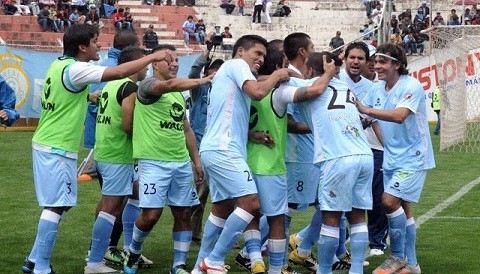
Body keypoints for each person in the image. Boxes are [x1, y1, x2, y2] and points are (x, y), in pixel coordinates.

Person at [21, 23, 173, 274]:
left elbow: (71, 94)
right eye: (94, 41)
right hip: (57, 147)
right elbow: (118, 71)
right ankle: (42, 267)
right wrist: (153, 55)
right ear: (82, 46)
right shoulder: (76, 69)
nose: (99, 45)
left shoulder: (58, 64)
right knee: (56, 205)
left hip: (51, 144)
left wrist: (92, 97)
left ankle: (33, 259)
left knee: (62, 204)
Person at [191, 34, 290, 274]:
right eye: (257, 53)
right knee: (250, 203)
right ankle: (214, 260)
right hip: (224, 150)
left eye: (264, 56)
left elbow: (229, 113)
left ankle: (198, 267)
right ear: (240, 51)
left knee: (221, 209)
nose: (261, 59)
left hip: (217, 148)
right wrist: (278, 74)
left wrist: (251, 135)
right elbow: (257, 92)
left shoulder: (230, 74)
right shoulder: (236, 65)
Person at [122, 44, 212, 274]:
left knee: (183, 213)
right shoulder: (147, 86)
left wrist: (196, 161)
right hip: (153, 162)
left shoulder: (178, 96)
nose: (174, 64)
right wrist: (206, 79)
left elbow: (186, 129)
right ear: (155, 63)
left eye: (176, 61)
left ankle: (178, 265)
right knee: (151, 216)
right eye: (168, 60)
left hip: (180, 163)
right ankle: (133, 252)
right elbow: (168, 84)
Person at [356, 43, 435, 274]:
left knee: (389, 201)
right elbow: (369, 118)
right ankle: (412, 264)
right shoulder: (376, 88)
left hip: (413, 157)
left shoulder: (411, 85)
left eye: (383, 62)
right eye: (376, 62)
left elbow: (400, 116)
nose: (377, 66)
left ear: (397, 65)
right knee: (404, 208)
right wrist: (364, 120)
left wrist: (368, 112)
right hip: (393, 156)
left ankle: (397, 256)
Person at [298, 51, 373, 274]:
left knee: (330, 217)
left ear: (310, 71)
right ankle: (357, 270)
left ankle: (324, 271)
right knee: (358, 217)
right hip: (363, 154)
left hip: (338, 158)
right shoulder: (344, 86)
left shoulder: (309, 84)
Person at [84, 46, 148, 274]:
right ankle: (94, 262)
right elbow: (128, 125)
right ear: (135, 64)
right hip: (118, 155)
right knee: (111, 208)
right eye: (144, 63)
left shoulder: (110, 84)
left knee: (114, 202)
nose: (147, 68)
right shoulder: (129, 87)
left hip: (104, 152)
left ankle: (105, 252)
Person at [338, 42, 388, 257]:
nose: (356, 62)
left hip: (370, 150)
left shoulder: (372, 88)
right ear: (345, 58)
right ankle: (340, 245)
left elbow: (375, 118)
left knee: (376, 198)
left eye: (361, 58)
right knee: (339, 201)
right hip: (340, 150)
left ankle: (376, 241)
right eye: (352, 57)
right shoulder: (334, 81)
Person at [188, 48, 224, 246]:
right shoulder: (198, 89)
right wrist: (207, 51)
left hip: (220, 151)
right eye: (213, 71)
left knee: (226, 198)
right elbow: (193, 73)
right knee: (198, 196)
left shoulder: (228, 93)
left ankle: (224, 235)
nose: (216, 75)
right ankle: (193, 233)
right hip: (199, 152)